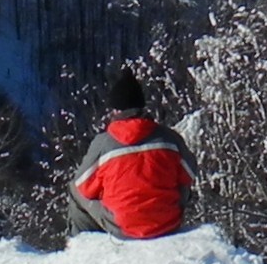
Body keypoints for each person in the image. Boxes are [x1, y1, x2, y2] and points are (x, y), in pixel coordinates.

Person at [67, 71, 192, 241]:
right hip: (167, 223)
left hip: (123, 227)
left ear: (116, 111)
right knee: (181, 181)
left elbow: (83, 186)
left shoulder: (104, 143)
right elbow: (190, 174)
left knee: (75, 189)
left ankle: (83, 245)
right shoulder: (170, 138)